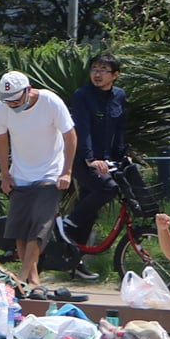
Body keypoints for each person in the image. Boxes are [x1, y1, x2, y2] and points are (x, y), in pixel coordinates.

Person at [0, 69, 76, 288]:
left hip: (50, 173)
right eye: (8, 101)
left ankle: (20, 279)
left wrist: (66, 172)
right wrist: (5, 174)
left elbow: (70, 135)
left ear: (28, 91)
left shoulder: (49, 101)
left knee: (39, 226)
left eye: (16, 100)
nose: (12, 105)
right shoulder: (1, 109)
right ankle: (33, 279)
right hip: (21, 173)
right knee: (19, 227)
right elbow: (0, 140)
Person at [59, 53, 128, 257]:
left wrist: (123, 157)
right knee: (108, 188)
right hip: (82, 159)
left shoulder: (119, 95)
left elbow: (120, 129)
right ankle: (68, 221)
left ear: (115, 75)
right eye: (94, 69)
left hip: (105, 160)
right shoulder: (83, 95)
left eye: (103, 70)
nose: (97, 74)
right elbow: (83, 129)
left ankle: (74, 260)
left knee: (89, 211)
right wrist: (90, 159)